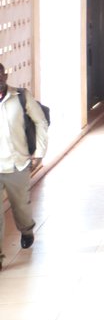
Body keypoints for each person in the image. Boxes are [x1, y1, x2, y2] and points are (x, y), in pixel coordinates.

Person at [0, 62, 47, 270]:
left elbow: (40, 122)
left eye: (0, 75)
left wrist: (39, 153)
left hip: (17, 163)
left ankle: (27, 229)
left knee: (21, 207)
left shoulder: (20, 96)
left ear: (5, 75)